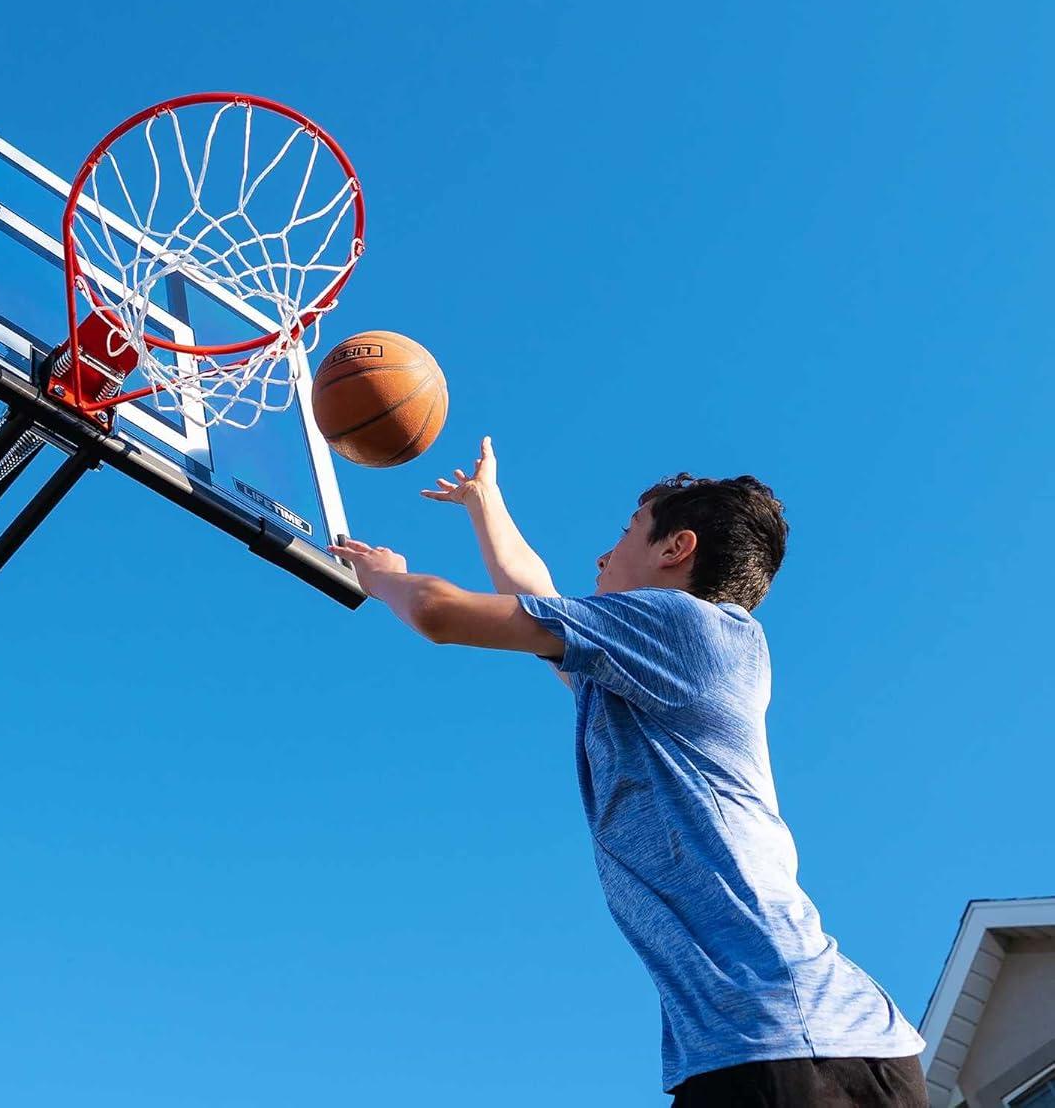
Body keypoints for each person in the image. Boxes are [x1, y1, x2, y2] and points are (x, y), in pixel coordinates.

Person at [330, 440, 928, 1107]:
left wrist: (382, 575)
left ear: (676, 549)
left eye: (622, 537)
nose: (601, 557)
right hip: (790, 1040)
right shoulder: (652, 663)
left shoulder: (683, 626)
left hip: (791, 1037)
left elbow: (438, 611)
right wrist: (484, 502)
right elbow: (535, 595)